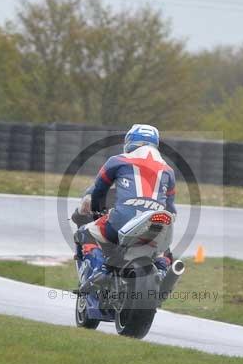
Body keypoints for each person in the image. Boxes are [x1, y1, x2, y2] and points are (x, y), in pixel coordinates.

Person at [74, 124, 176, 296]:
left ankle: (99, 272)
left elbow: (98, 192)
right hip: (158, 224)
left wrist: (93, 208)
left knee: (85, 233)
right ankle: (163, 273)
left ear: (130, 141)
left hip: (122, 220)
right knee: (165, 252)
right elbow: (171, 208)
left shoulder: (117, 161)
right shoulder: (169, 171)